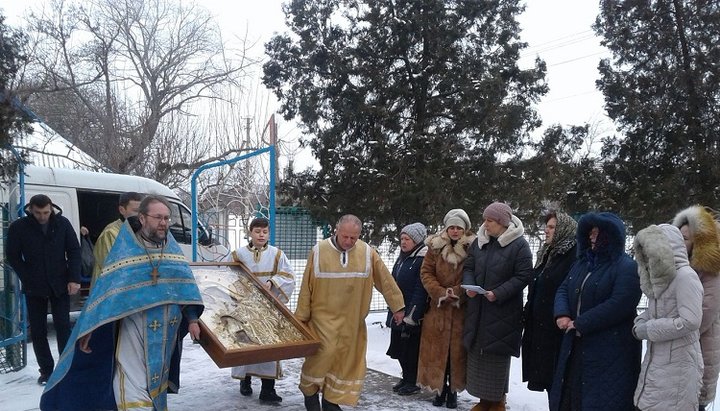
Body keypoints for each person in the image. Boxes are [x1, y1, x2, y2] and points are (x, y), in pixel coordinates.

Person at [39, 195, 204, 411]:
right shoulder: (125, 249)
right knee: (132, 382)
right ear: (142, 218)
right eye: (158, 217)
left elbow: (185, 288)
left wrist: (192, 319)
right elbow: (108, 292)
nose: (163, 223)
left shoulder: (172, 250)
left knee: (156, 383)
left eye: (166, 218)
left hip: (166, 331)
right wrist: (91, 327)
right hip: (132, 327)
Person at [295, 214, 405, 411]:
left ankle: (331, 401)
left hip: (352, 322)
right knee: (321, 357)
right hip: (322, 321)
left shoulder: (367, 253)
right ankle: (310, 393)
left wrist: (398, 306)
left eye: (353, 238)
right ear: (336, 230)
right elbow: (306, 287)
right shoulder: (319, 251)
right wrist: (301, 318)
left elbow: (385, 280)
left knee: (345, 364)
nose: (348, 241)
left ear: (359, 235)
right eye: (345, 236)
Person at [550, 212, 641, 411]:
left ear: (611, 235)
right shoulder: (582, 263)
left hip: (609, 350)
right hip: (575, 345)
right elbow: (564, 288)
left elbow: (620, 304)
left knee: (599, 400)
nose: (592, 236)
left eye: (597, 232)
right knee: (570, 397)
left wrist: (581, 322)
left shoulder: (626, 267)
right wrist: (562, 313)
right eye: (590, 232)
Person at [463, 202, 533, 411]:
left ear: (503, 223)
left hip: (503, 312)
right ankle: (485, 401)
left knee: (496, 358)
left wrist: (499, 293)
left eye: (490, 221)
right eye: (484, 219)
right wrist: (469, 286)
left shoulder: (519, 245)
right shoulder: (480, 242)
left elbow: (524, 275)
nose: (485, 224)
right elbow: (469, 266)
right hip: (479, 311)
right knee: (479, 356)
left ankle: (498, 401)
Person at [5, 194, 82, 385]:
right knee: (38, 331)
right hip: (34, 285)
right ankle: (46, 371)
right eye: (38, 212)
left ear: (51, 209)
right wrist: (27, 276)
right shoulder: (19, 227)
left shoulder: (62, 224)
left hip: (60, 283)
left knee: (63, 327)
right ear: (30, 209)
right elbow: (12, 255)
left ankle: (66, 368)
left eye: (46, 212)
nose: (42, 216)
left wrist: (74, 278)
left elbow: (74, 250)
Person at [632, 224, 703, 411]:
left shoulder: (686, 277)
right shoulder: (662, 280)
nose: (647, 256)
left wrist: (649, 329)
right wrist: (641, 320)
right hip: (658, 364)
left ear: (663, 249)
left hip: (678, 367)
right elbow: (658, 312)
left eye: (650, 250)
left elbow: (691, 320)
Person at [230, 217, 296, 403]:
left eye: (265, 232)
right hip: (245, 308)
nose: (261, 235)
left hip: (268, 309)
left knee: (269, 346)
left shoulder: (277, 254)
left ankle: (268, 389)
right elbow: (227, 273)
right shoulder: (238, 254)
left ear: (269, 233)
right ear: (250, 232)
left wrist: (272, 282)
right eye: (257, 231)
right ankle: (245, 381)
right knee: (246, 343)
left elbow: (288, 276)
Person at [417, 209, 476, 409]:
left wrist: (457, 292)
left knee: (456, 354)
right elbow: (426, 272)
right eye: (451, 227)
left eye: (459, 227)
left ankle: (453, 391)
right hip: (438, 310)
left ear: (464, 229)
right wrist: (440, 292)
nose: (455, 231)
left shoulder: (473, 247)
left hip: (461, 311)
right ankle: (438, 388)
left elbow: (474, 273)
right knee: (437, 352)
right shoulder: (434, 247)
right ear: (446, 228)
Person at [522, 211, 577, 400]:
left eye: (552, 227)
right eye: (546, 226)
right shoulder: (547, 252)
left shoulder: (573, 255)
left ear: (564, 229)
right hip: (540, 328)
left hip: (557, 330)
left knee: (558, 383)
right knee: (547, 382)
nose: (546, 230)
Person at [672, 205, 720, 411]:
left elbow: (705, 312)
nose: (681, 242)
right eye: (679, 237)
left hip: (700, 348)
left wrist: (671, 329)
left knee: (693, 400)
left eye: (686, 238)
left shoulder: (710, 270)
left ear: (698, 242)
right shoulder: (680, 267)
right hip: (678, 350)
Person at [385, 222, 428, 396]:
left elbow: (420, 289)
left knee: (410, 349)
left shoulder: (422, 259)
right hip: (397, 309)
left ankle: (413, 381)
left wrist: (412, 315)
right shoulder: (403, 257)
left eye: (407, 239)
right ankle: (406, 378)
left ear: (416, 240)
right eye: (402, 238)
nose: (403, 242)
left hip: (411, 312)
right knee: (400, 347)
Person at [91, 191, 143, 287]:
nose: (139, 215)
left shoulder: (140, 230)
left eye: (141, 211)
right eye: (135, 211)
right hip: (109, 288)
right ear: (122, 210)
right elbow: (112, 267)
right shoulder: (110, 233)